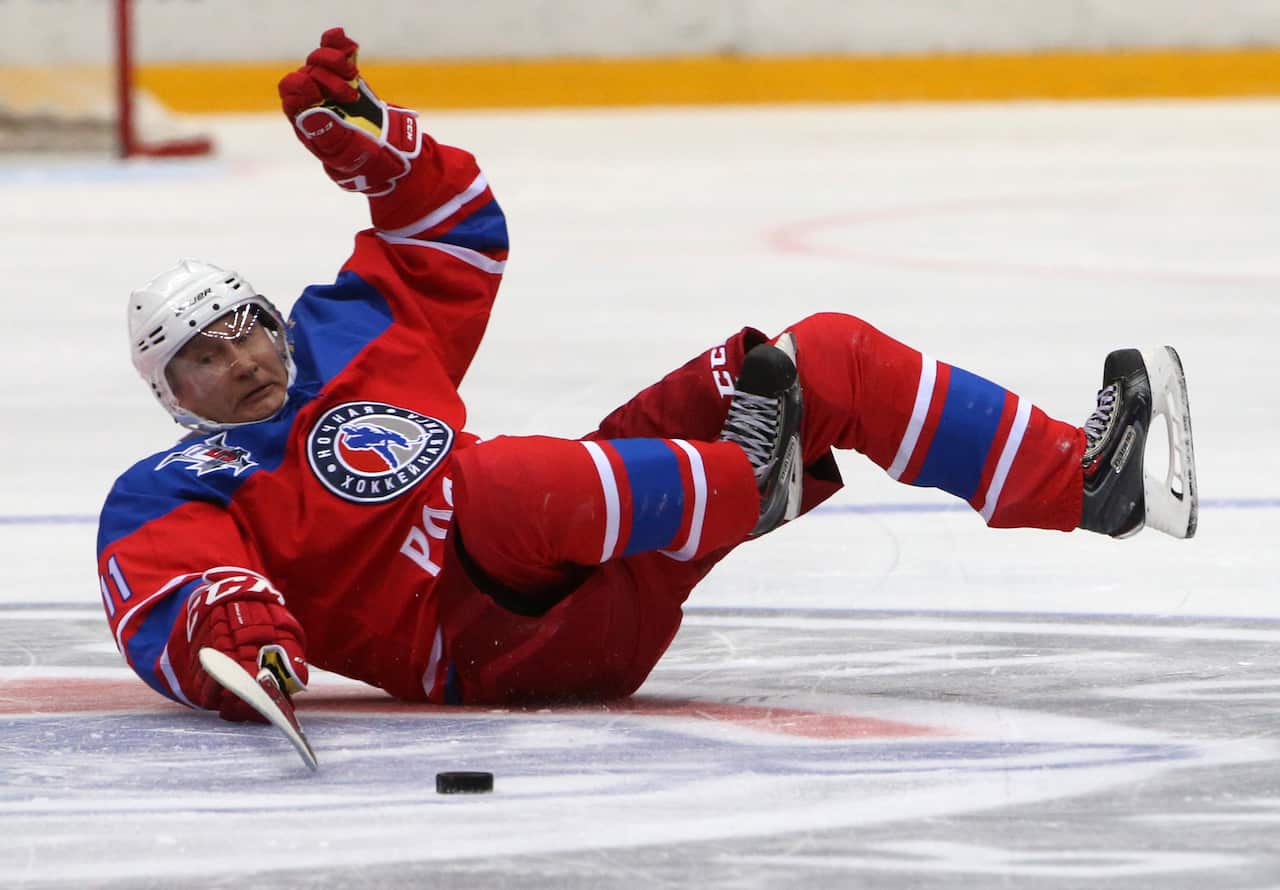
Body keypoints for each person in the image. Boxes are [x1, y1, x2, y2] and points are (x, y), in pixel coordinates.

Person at [96, 29, 1199, 722]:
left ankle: (1084, 482)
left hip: (585, 545)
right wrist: (235, 640)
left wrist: (381, 154)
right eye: (201, 355)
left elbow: (456, 234)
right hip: (488, 644)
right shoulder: (178, 481)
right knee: (495, 484)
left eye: (242, 326)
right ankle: (742, 480)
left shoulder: (348, 333)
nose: (239, 357)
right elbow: (174, 597)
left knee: (816, 354)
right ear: (169, 393)